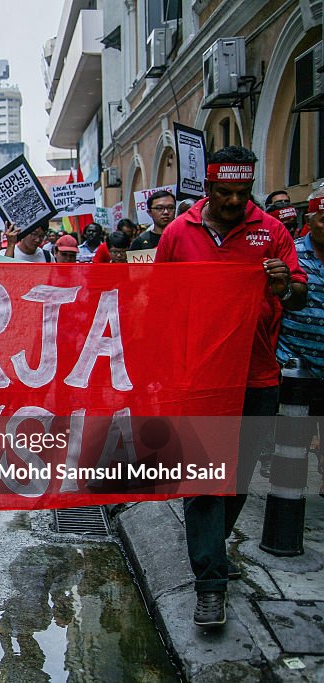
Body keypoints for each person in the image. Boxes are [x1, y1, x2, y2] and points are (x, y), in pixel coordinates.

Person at [156, 146, 307, 627]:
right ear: (208, 189)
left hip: (257, 375)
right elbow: (157, 300)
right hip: (199, 377)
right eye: (225, 192)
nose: (234, 202)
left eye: (243, 193)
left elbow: (299, 295)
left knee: (239, 475)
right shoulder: (179, 234)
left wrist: (284, 284)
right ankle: (211, 585)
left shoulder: (273, 231)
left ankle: (212, 553)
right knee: (204, 481)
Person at [275, 189, 324, 496]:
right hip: (295, 366)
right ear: (310, 219)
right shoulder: (292, 254)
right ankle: (285, 500)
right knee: (291, 444)